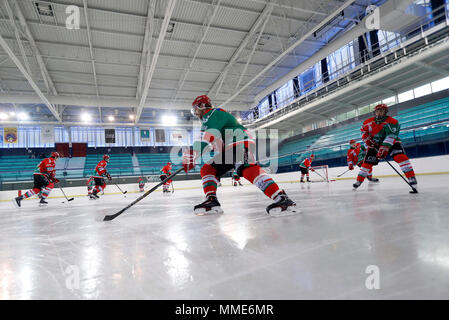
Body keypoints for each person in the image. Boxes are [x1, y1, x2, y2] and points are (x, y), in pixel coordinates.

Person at [182, 94, 297, 216]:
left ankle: (281, 198)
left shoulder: (212, 114)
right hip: (231, 148)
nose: (195, 113)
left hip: (240, 143)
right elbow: (211, 141)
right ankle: (211, 200)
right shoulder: (211, 119)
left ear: (201, 106)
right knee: (208, 168)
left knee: (247, 169)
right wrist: (196, 155)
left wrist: (192, 154)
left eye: (195, 109)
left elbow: (206, 136)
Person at [353, 103, 417, 189]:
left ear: (385, 112)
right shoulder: (367, 122)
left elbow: (391, 135)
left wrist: (385, 147)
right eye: (377, 111)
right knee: (367, 163)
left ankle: (411, 177)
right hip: (374, 144)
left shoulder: (393, 122)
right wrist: (367, 140)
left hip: (392, 143)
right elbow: (363, 132)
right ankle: (358, 181)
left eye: (382, 111)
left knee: (400, 157)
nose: (379, 113)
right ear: (375, 112)